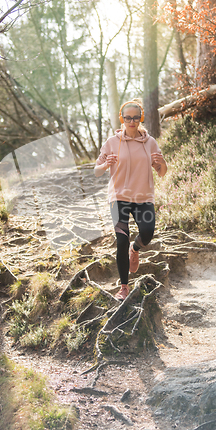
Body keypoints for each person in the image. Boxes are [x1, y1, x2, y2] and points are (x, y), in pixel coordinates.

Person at [94, 100, 167, 301]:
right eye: (128, 118)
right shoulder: (111, 142)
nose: (132, 121)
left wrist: (162, 163)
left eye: (136, 117)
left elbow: (161, 173)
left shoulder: (150, 142)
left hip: (143, 197)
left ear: (141, 117)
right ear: (122, 119)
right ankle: (124, 287)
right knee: (121, 239)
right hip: (119, 197)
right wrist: (105, 165)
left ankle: (135, 250)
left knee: (147, 232)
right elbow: (96, 170)